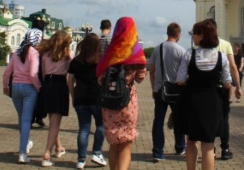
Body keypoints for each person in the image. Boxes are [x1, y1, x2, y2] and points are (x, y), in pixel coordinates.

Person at [176, 20, 232, 170]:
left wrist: (191, 78)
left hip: (192, 101)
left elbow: (180, 80)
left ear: (202, 36)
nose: (193, 36)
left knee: (191, 141)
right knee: (208, 145)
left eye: (195, 33)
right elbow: (227, 82)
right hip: (212, 102)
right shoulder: (221, 57)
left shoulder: (190, 53)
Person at [96, 17, 147, 170]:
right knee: (126, 144)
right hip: (128, 102)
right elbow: (140, 78)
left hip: (110, 103)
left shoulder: (111, 51)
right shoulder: (136, 51)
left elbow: (100, 77)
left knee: (113, 143)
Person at [67, 33, 107, 169]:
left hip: (80, 98)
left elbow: (70, 80)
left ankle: (81, 160)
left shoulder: (76, 61)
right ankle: (96, 152)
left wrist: (73, 96)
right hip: (97, 98)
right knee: (101, 125)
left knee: (84, 128)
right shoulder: (102, 60)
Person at [149, 22, 186, 161]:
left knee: (158, 120)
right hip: (177, 91)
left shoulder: (157, 49)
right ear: (178, 34)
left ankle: (158, 151)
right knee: (179, 119)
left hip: (160, 90)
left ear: (167, 33)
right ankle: (180, 147)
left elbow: (151, 71)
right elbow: (185, 73)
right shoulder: (181, 51)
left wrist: (153, 87)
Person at [3, 29, 41, 164]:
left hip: (16, 88)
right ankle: (22, 152)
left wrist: (5, 86)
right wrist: (39, 87)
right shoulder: (34, 53)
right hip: (29, 89)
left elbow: (7, 71)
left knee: (21, 119)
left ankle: (26, 143)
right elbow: (32, 74)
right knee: (26, 120)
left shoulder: (17, 52)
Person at [204, 18, 241, 160]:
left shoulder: (198, 47)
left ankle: (210, 149)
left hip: (206, 90)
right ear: (216, 30)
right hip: (223, 89)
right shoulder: (225, 45)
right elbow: (233, 67)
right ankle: (225, 149)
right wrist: (238, 87)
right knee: (224, 118)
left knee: (208, 119)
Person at [36, 30, 73, 167]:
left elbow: (44, 72)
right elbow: (70, 75)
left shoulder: (45, 54)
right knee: (55, 123)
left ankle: (58, 147)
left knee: (52, 120)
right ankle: (47, 153)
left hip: (47, 85)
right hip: (60, 85)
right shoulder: (68, 56)